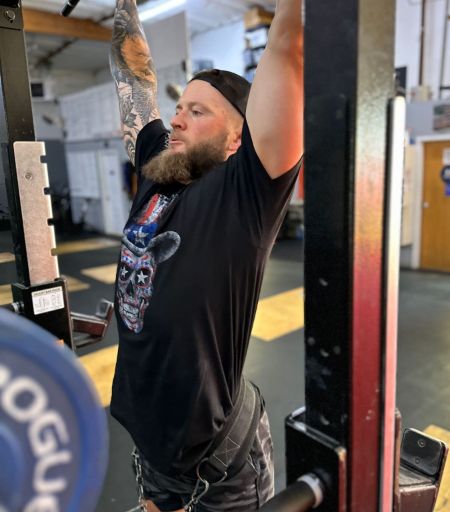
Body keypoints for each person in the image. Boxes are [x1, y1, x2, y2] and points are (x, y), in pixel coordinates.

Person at [109, 0, 303, 510]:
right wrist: (124, 4)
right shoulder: (158, 170)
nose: (176, 121)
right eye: (179, 108)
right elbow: (134, 80)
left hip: (216, 467)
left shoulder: (246, 193)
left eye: (197, 112)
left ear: (238, 136)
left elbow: (288, 47)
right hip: (153, 452)